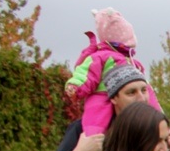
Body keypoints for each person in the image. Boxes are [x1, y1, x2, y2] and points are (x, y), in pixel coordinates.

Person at [64, 8, 160, 136]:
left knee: (153, 109)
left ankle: (159, 130)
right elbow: (86, 73)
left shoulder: (131, 61)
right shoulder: (101, 56)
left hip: (125, 96)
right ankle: (92, 140)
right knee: (95, 120)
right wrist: (76, 85)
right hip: (102, 93)